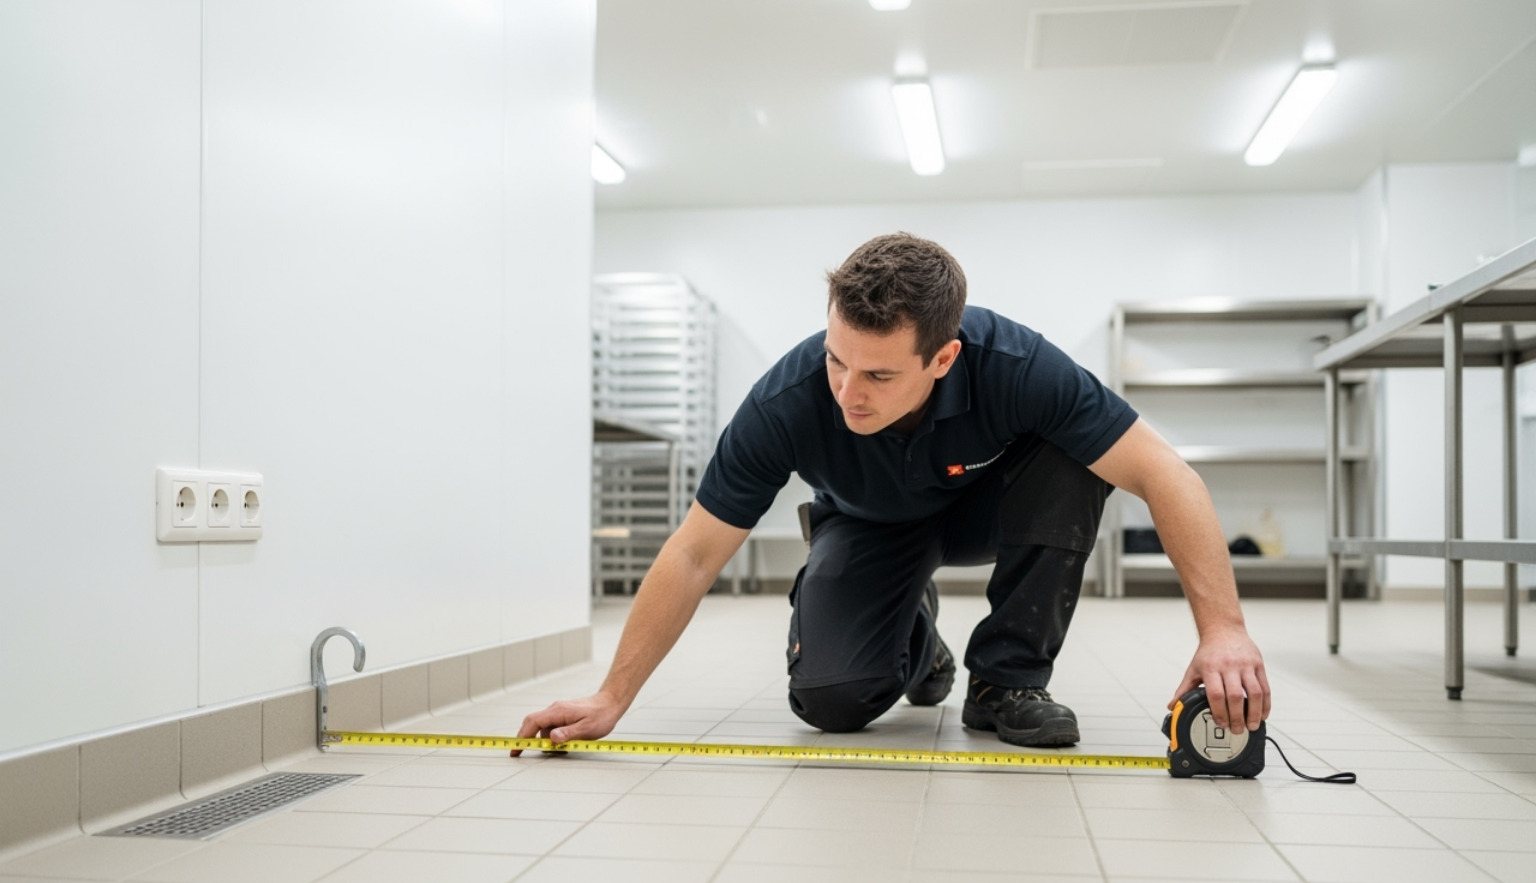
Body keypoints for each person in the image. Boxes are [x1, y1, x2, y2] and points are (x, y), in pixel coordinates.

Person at [519, 233, 1270, 751]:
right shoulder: (784, 402)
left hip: (984, 510)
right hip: (869, 523)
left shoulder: (1016, 364)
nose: (848, 390)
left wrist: (1224, 630)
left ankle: (1003, 684)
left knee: (1081, 459)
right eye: (837, 360)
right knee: (832, 701)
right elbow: (692, 554)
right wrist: (612, 696)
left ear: (943, 357)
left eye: (878, 375)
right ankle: (920, 644)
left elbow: (1164, 471)